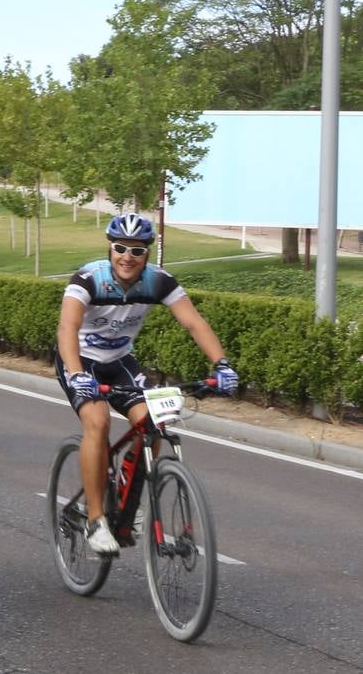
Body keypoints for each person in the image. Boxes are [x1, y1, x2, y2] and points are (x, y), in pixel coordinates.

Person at [55, 212, 239, 555]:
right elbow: (67, 328)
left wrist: (222, 365)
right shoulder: (88, 278)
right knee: (98, 422)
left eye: (137, 251)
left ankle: (128, 499)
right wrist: (77, 374)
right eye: (120, 248)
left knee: (153, 422)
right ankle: (96, 519)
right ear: (110, 249)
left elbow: (194, 323)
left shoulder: (158, 281)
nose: (127, 256)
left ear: (147, 254)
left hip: (120, 361)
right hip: (81, 360)